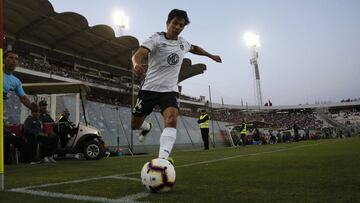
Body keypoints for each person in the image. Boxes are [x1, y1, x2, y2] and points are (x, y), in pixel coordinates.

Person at [131, 9, 222, 161]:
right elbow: (138, 54)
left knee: (172, 118)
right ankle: (146, 127)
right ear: (168, 23)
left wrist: (211, 56)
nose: (178, 27)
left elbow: (195, 48)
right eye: (175, 23)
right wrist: (136, 64)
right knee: (135, 125)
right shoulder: (156, 39)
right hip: (149, 89)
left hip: (170, 90)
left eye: (181, 25)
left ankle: (162, 160)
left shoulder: (183, 43)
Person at [3, 51, 36, 164]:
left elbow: (23, 98)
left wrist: (33, 107)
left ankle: (31, 160)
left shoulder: (16, 81)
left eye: (16, 59)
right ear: (3, 59)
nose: (14, 60)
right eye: (11, 57)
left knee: (9, 138)